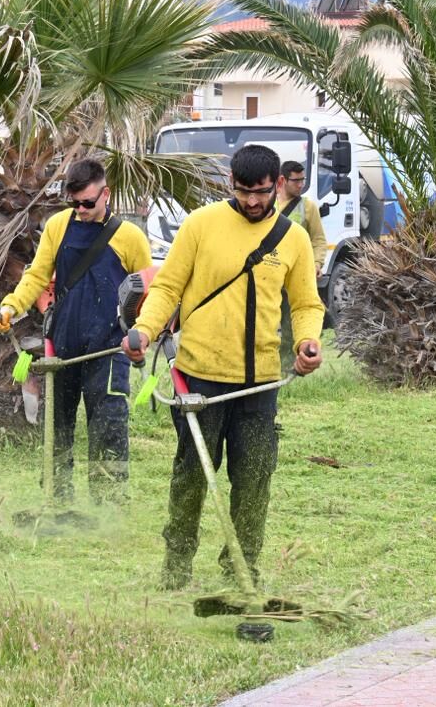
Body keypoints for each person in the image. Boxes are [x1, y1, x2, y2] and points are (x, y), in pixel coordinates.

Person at [123, 144, 325, 589]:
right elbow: (168, 287)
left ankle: (242, 570)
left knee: (253, 483)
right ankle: (176, 568)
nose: (253, 202)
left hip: (258, 385)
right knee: (192, 476)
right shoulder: (200, 225)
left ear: (278, 186)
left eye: (262, 193)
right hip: (199, 381)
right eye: (243, 191)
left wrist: (309, 341)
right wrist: (143, 330)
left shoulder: (292, 239)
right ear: (230, 183)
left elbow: (307, 303)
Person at [0, 158, 151, 503]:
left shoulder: (130, 237)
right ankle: (57, 498)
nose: (80, 209)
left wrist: (144, 333)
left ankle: (107, 505)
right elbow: (36, 275)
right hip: (63, 347)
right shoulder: (58, 226)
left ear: (105, 194)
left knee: (108, 426)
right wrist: (11, 306)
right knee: (58, 427)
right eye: (74, 202)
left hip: (109, 349)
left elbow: (151, 293)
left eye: (88, 203)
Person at [277, 160, 327, 368]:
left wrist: (316, 263)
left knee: (292, 323)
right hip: (271, 275)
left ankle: (290, 365)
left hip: (296, 276)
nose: (300, 185)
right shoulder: (268, 204)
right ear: (283, 181)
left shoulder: (308, 207)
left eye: (302, 180)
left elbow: (318, 240)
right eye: (296, 181)